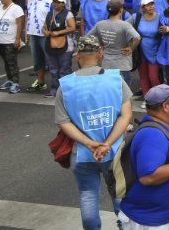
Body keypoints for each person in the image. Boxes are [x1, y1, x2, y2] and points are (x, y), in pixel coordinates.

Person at [55, 35, 133, 230]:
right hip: (114, 152)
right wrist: (107, 144)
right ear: (100, 53)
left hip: (82, 153)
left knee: (88, 194)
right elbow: (125, 116)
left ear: (77, 56)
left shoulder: (65, 85)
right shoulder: (116, 79)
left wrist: (89, 144)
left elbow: (63, 122)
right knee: (119, 195)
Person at [118, 84, 169, 230]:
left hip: (157, 217)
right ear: (165, 106)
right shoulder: (152, 135)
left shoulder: (157, 128)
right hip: (150, 221)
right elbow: (149, 177)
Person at [87, 0, 141, 86]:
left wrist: (99, 46)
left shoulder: (100, 24)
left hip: (107, 62)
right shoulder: (125, 25)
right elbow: (137, 37)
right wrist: (131, 48)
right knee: (124, 90)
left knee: (110, 87)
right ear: (121, 10)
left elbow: (88, 37)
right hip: (123, 63)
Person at [0, 0, 25, 94]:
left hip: (10, 40)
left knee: (12, 62)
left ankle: (16, 83)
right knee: (6, 62)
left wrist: (17, 38)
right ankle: (9, 80)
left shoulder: (16, 8)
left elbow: (20, 24)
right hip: (0, 40)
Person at [42, 0, 76, 98]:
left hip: (66, 44)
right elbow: (44, 26)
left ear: (63, 3)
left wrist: (59, 32)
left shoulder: (68, 14)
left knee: (64, 69)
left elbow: (72, 27)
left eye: (58, 2)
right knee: (53, 69)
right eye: (54, 1)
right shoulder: (49, 13)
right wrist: (45, 32)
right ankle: (54, 90)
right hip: (50, 43)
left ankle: (67, 91)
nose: (55, 4)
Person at [130, 0, 161, 101]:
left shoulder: (159, 17)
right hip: (140, 51)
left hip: (155, 50)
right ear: (143, 7)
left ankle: (157, 99)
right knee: (143, 76)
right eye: (148, 5)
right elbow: (124, 26)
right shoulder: (136, 17)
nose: (151, 6)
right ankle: (147, 99)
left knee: (153, 77)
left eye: (152, 4)